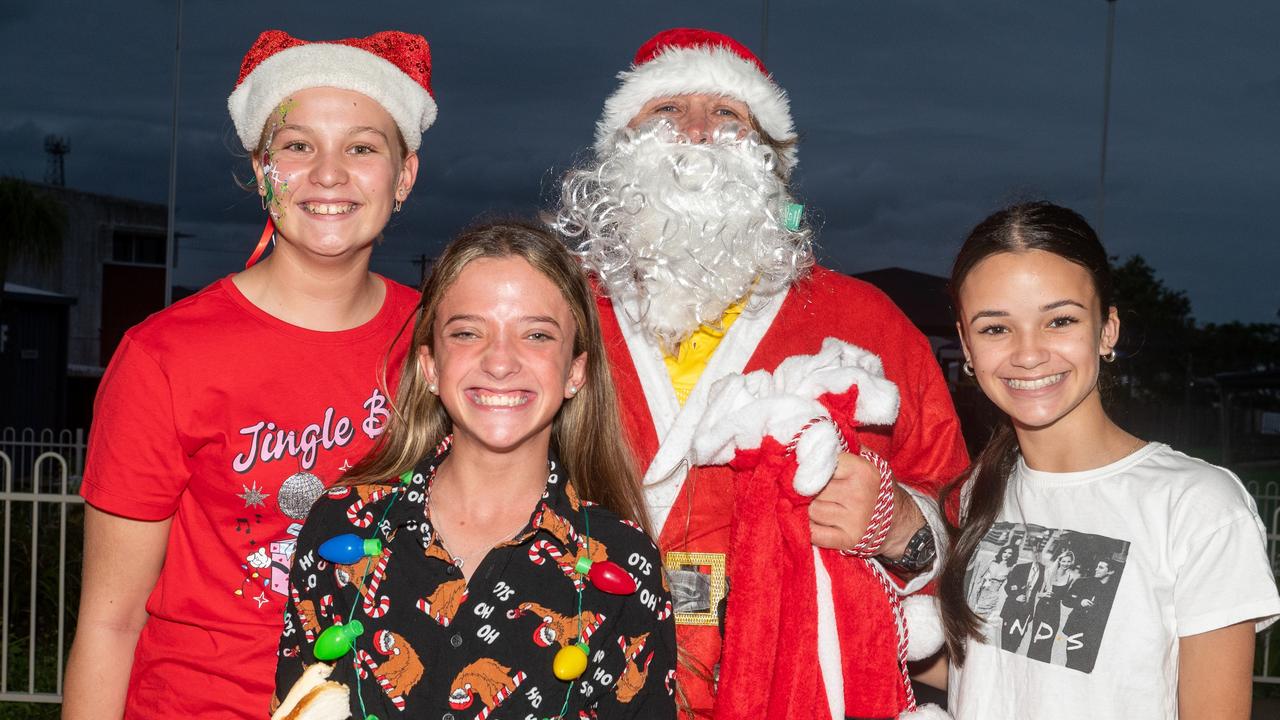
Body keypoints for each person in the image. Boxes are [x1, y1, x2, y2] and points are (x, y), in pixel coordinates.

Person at [552, 27, 968, 720]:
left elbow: (959, 504)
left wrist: (899, 524)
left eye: (727, 115)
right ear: (618, 148)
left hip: (788, 687)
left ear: (772, 161)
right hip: (572, 678)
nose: (696, 132)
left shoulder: (863, 319)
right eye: (665, 110)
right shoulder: (548, 311)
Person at [62, 29, 436, 719]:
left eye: (362, 146)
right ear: (262, 168)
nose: (329, 173)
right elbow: (109, 624)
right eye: (297, 146)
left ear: (404, 175)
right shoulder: (164, 357)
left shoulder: (445, 342)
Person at [274, 222, 676, 719]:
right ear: (430, 367)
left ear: (575, 372)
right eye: (467, 332)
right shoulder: (341, 524)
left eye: (536, 334)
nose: (501, 361)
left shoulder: (624, 562)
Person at [938, 201, 1280, 719]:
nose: (1029, 354)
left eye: (1059, 321)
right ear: (966, 344)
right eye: (995, 328)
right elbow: (985, 670)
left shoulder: (1198, 505)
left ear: (1107, 331)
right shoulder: (974, 494)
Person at [969, 544, 1018, 619]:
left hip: (993, 595)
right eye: (1005, 552)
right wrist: (980, 585)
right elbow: (980, 575)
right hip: (982, 591)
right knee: (974, 614)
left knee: (983, 617)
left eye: (1009, 553)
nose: (1006, 555)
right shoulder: (992, 562)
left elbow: (1011, 583)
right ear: (1001, 552)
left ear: (1012, 555)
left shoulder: (1011, 568)